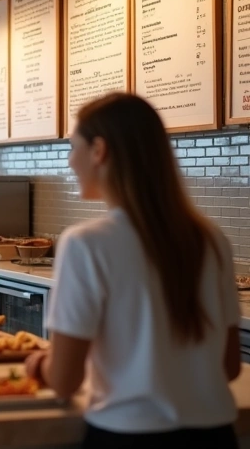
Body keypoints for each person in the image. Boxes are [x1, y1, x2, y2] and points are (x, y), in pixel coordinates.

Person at [22, 94, 241, 448]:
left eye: (74, 147)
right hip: (215, 437)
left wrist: (37, 365)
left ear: (99, 150)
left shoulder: (86, 243)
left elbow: (64, 381)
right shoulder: (212, 240)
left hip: (125, 436)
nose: (70, 160)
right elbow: (229, 366)